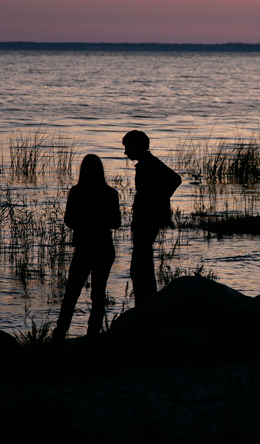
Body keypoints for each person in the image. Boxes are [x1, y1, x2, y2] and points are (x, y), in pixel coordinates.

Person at [51, 154, 121, 342]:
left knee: (71, 294)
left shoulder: (76, 192)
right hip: (105, 249)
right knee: (98, 294)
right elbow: (116, 223)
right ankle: (93, 336)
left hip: (84, 249)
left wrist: (85, 223)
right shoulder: (111, 193)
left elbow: (68, 220)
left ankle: (59, 334)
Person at [122, 130, 182, 305]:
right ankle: (146, 300)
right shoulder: (147, 163)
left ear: (138, 147)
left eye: (128, 148)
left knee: (141, 265)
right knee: (142, 262)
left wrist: (157, 200)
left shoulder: (149, 164)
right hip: (146, 219)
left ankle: (145, 302)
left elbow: (175, 179)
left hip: (146, 221)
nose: (126, 153)